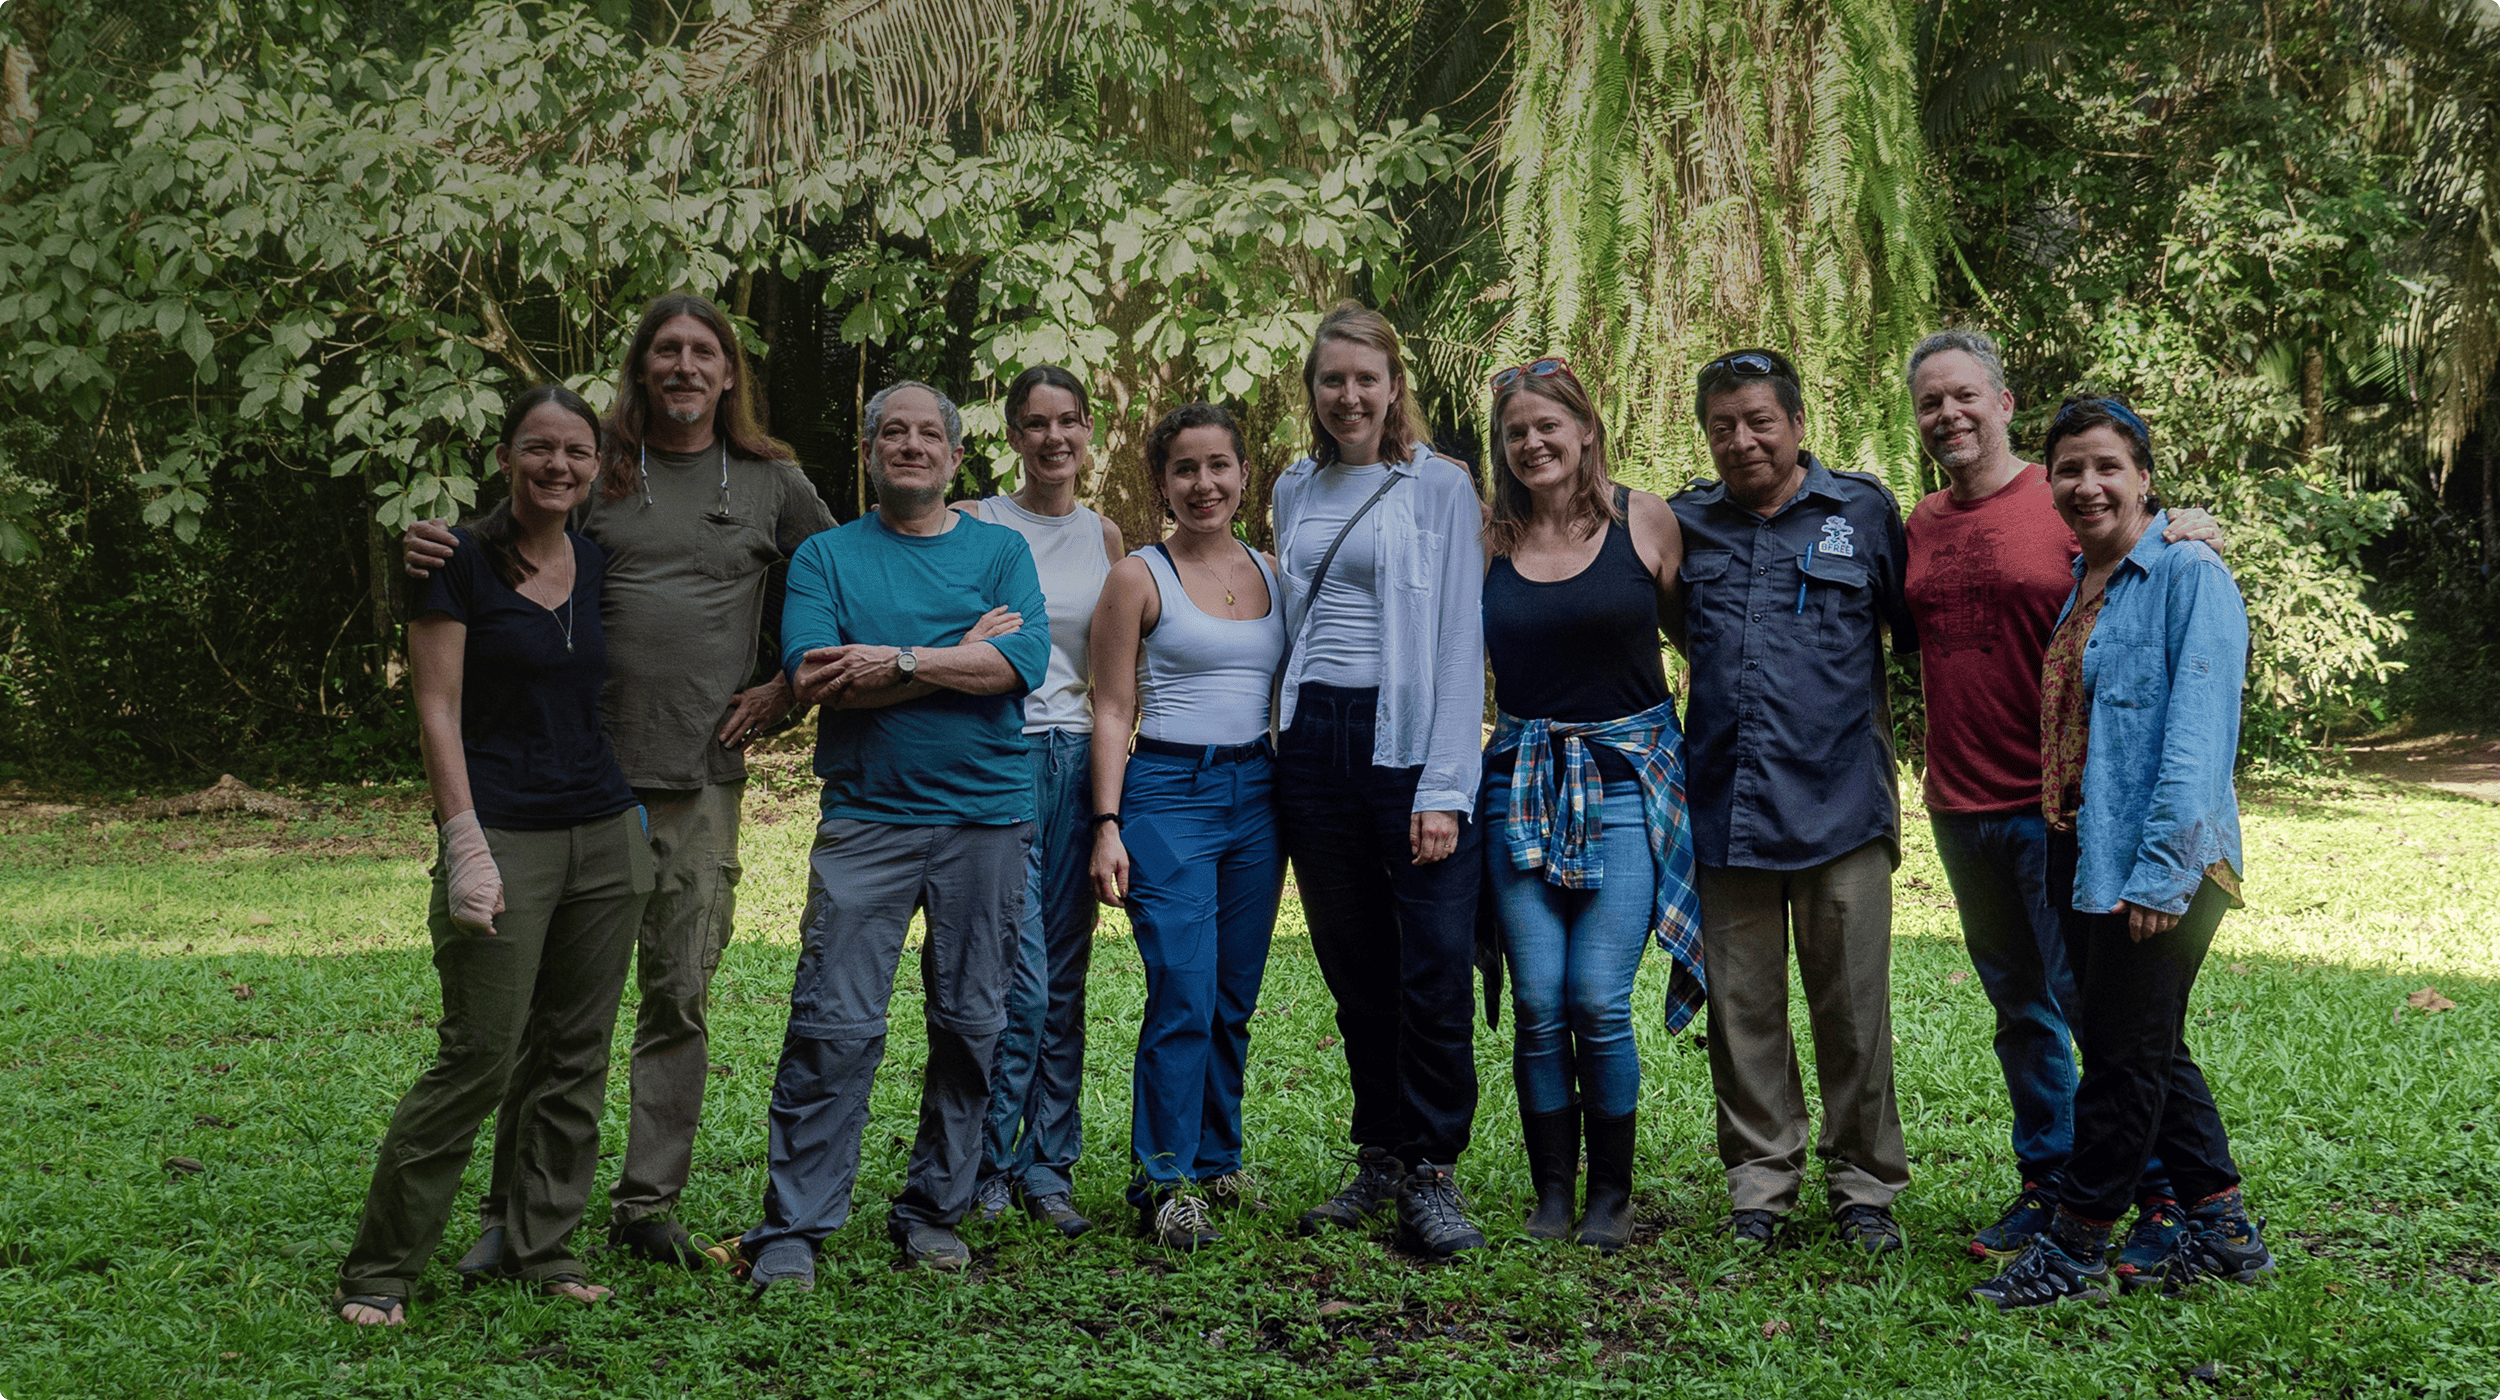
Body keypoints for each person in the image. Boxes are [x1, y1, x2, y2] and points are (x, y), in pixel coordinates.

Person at [403, 294, 835, 1271]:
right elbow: (482, 551)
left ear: (728, 374)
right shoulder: (599, 465)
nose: (684, 366)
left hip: (700, 783)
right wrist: (424, 549)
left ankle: (648, 1206)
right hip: (572, 786)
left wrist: (788, 683)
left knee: (677, 994)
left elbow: (842, 575)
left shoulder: (772, 481)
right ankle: (510, 1213)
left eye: (704, 352)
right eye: (666, 351)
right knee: (551, 1011)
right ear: (643, 369)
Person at [333, 386, 651, 1325]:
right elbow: (435, 709)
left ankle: (540, 1250)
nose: (559, 467)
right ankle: (381, 1272)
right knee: (479, 1053)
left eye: (576, 453)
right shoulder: (456, 560)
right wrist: (462, 840)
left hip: (604, 830)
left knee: (575, 1055)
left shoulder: (592, 562)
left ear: (597, 466)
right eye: (539, 449)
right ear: (508, 457)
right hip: (502, 831)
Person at [1900, 330, 2219, 1265]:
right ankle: (2048, 1181)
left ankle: (2155, 1194)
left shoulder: (2062, 496)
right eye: (1930, 403)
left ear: (2003, 404)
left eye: (1966, 396)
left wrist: (2192, 522)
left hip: (2063, 811)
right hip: (1960, 806)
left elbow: (2150, 556)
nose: (1949, 415)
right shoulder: (1917, 523)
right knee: (2021, 1012)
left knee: (2103, 1016)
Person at [738, 381, 1051, 1291]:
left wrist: (901, 658)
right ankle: (795, 1225)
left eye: (929, 434)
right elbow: (815, 678)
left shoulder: (1001, 551)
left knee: (971, 1022)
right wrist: (959, 654)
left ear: (957, 458)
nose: (910, 445)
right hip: (867, 819)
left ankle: (933, 1209)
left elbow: (1020, 665)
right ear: (869, 452)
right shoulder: (827, 557)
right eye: (891, 432)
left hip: (985, 819)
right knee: (832, 1023)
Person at [1971, 396, 2269, 1309]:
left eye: (2107, 466)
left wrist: (2162, 876)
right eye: (2069, 469)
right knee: (2136, 1041)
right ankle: (2220, 1226)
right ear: (2050, 482)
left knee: (2120, 1062)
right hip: (2083, 847)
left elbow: (2197, 735)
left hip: (2162, 861)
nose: (2087, 484)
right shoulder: (2085, 579)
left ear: (2144, 476)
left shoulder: (2187, 574)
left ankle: (2077, 1247)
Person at [1671, 347, 1916, 1254]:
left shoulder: (1863, 511)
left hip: (1843, 806)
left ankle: (1864, 1190)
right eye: (1723, 426)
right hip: (1726, 804)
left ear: (1798, 423)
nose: (1742, 441)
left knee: (1853, 1010)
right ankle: (1761, 1185)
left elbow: (1920, 625)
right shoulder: (1687, 523)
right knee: (1742, 1016)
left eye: (1759, 421)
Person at [1273, 302, 1490, 1259]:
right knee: (1355, 966)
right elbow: (1293, 624)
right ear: (1313, 392)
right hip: (1312, 745)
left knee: (1433, 963)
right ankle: (1381, 1157)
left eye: (1367, 378)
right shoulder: (1291, 487)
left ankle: (1434, 1167)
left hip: (1405, 744)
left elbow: (1458, 641)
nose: (1350, 395)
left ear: (1394, 386)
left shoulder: (1438, 486)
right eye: (1333, 380)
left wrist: (1443, 785)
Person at [1478, 358, 1705, 1253]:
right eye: (1515, 433)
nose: (1534, 444)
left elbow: (1700, 643)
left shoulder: (1643, 520)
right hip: (1521, 782)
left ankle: (1610, 1193)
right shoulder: (1489, 539)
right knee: (1538, 999)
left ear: (1585, 429)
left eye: (1548, 426)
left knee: (1595, 997)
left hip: (1624, 785)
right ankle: (1549, 1192)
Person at [1087, 403, 1289, 1249]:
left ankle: (1215, 1158)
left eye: (1219, 467)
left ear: (1245, 475)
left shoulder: (1277, 572)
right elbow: (1109, 706)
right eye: (1184, 470)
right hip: (1169, 791)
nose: (1203, 484)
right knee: (1182, 985)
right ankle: (1163, 1181)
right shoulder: (1140, 575)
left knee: (1233, 994)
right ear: (1161, 482)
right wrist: (1106, 823)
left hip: (1261, 793)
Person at [955, 366, 1126, 1239]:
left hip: (1077, 761)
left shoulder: (1105, 533)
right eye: (1035, 423)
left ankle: (1048, 1166)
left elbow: (1113, 677)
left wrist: (1109, 807)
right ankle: (984, 1162)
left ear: (1088, 430)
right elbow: (951, 635)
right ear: (1013, 435)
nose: (1054, 438)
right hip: (1000, 753)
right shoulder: (980, 522)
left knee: (1064, 974)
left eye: (1069, 422)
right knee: (1016, 979)